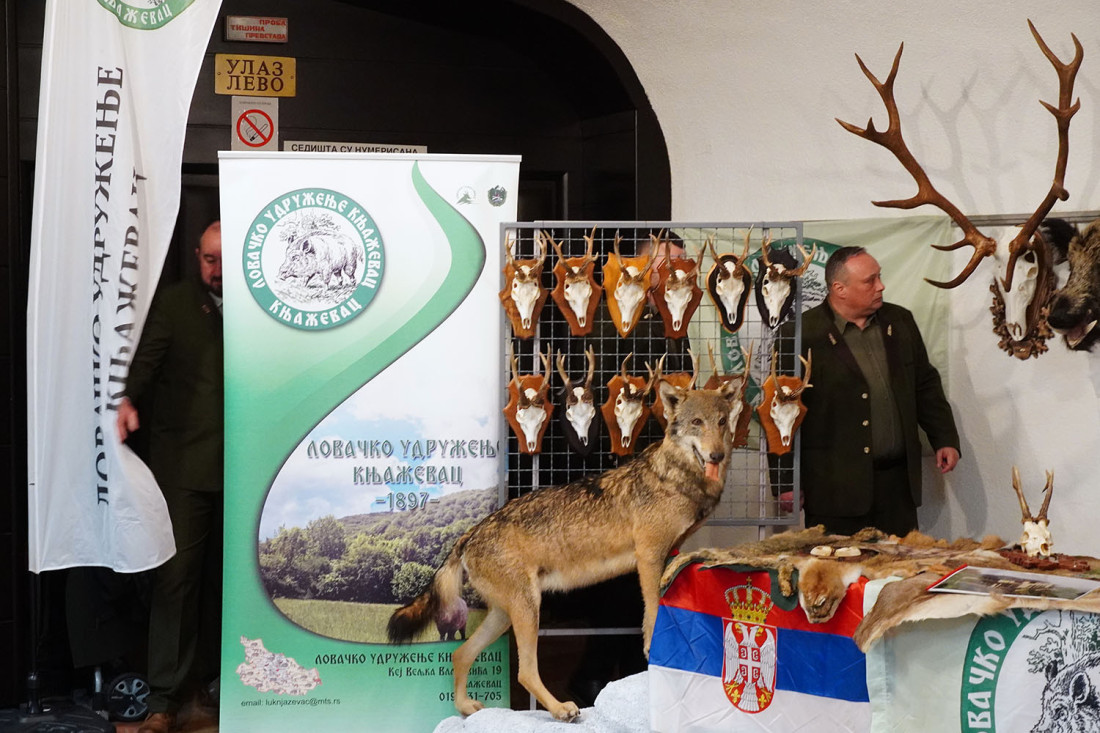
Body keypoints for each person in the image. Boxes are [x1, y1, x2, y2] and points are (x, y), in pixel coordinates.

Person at [116, 220, 224, 733]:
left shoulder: (266, 304)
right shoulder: (177, 303)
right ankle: (162, 699)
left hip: (255, 467)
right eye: (209, 259)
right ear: (195, 255)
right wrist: (126, 398)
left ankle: (216, 683)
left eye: (225, 259)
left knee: (237, 580)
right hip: (185, 467)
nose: (217, 269)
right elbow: (147, 362)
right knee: (176, 580)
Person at [779, 245, 960, 536]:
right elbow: (781, 413)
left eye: (879, 277)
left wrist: (945, 438)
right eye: (870, 280)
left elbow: (924, 384)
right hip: (835, 492)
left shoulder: (900, 322)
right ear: (840, 288)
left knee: (900, 575)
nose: (881, 286)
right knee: (838, 576)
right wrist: (785, 482)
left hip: (897, 489)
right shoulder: (800, 334)